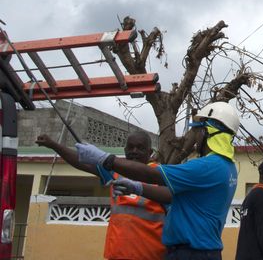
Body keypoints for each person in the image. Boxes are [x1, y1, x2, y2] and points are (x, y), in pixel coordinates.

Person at [75, 101, 239, 260]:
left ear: (206, 132)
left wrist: (105, 159)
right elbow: (171, 195)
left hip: (190, 253)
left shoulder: (207, 167)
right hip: (204, 251)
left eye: (197, 132)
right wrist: (138, 188)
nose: (196, 138)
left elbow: (151, 174)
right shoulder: (228, 168)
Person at [36, 130, 166, 260]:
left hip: (151, 256)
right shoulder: (114, 171)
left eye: (140, 148)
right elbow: (80, 161)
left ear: (150, 152)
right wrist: (54, 145)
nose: (135, 151)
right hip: (116, 255)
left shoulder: (161, 176)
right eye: (131, 147)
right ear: (125, 150)